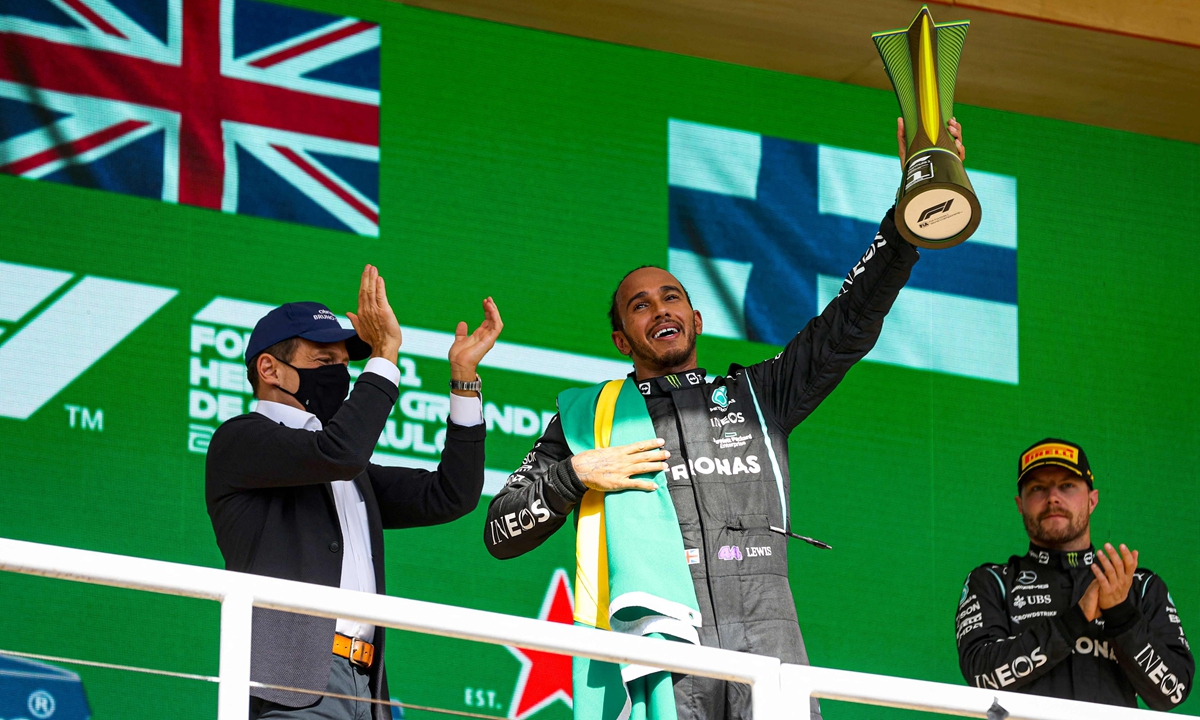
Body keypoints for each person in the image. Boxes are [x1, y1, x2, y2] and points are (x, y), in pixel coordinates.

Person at [483, 121, 965, 720]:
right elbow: (500, 531)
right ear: (620, 337)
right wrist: (574, 474)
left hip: (770, 653)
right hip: (663, 663)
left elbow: (849, 321)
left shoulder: (761, 394)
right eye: (640, 306)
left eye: (671, 297)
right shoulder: (589, 422)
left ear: (695, 318)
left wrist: (904, 221)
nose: (659, 309)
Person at [206, 265, 503, 720]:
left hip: (367, 689)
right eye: (325, 363)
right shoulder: (241, 440)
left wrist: (464, 378)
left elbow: (452, 494)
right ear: (269, 369)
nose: (340, 377)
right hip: (292, 684)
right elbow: (339, 451)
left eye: (347, 366)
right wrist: (385, 355)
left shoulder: (348, 469)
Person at [956, 438, 1193, 710]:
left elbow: (1173, 692)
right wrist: (1076, 619)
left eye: (1067, 486)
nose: (1052, 497)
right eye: (1037, 488)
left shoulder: (1140, 586)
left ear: (1093, 500)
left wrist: (1121, 614)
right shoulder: (992, 582)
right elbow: (981, 676)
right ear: (1020, 504)